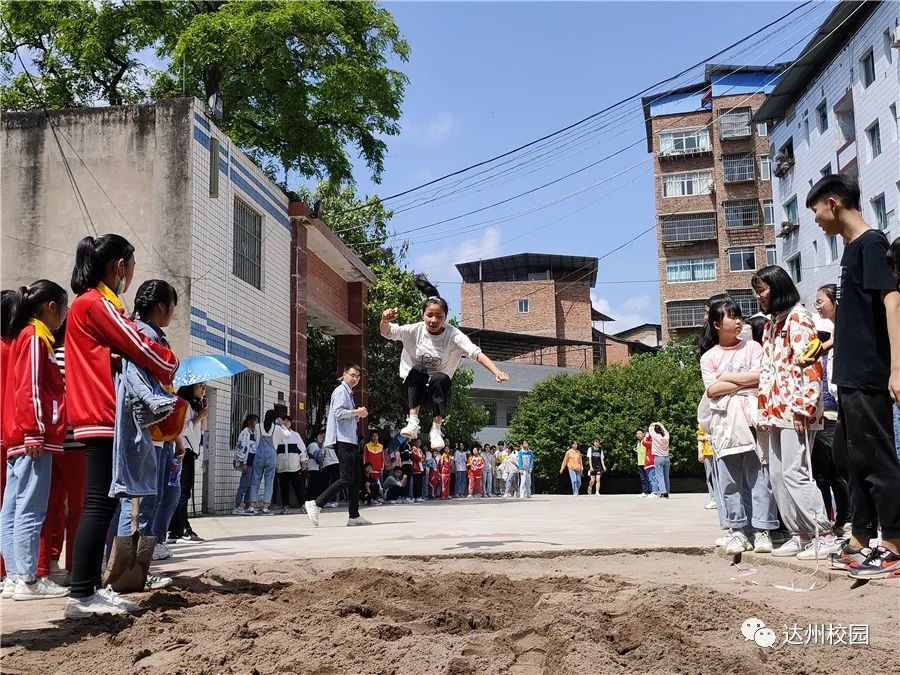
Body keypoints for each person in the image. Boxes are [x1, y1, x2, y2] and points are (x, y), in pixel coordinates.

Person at [64, 235, 178, 618]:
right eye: (130, 265)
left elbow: (117, 349)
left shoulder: (89, 305)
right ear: (119, 266)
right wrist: (170, 362)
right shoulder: (96, 304)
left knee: (103, 502)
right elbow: (138, 345)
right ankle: (82, 593)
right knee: (98, 504)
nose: (130, 274)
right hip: (99, 413)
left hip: (96, 411)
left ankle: (90, 588)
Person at [805, 175, 900, 577]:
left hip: (870, 372)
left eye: (816, 213)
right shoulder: (850, 250)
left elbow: (892, 301)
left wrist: (897, 366)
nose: (817, 222)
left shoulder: (873, 243)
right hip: (848, 374)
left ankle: (893, 544)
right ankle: (861, 538)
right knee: (852, 459)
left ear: (833, 203)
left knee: (878, 460)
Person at [752, 265, 834, 559]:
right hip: (774, 411)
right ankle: (799, 533)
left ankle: (822, 533)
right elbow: (767, 371)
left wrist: (803, 408)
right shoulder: (771, 324)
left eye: (762, 289)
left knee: (795, 472)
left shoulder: (799, 318)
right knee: (776, 474)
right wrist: (762, 411)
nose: (759, 296)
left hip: (796, 410)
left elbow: (810, 366)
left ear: (777, 286)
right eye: (757, 291)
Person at [0, 280, 70, 601]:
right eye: (63, 308)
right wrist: (35, 430)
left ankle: (16, 576)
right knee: (30, 506)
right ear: (50, 307)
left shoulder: (24, 337)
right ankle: (26, 579)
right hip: (32, 437)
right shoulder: (35, 338)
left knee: (14, 506)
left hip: (23, 435)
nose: (64, 317)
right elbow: (30, 388)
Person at [699, 296, 778, 555]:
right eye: (731, 317)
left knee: (759, 476)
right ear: (717, 324)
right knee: (729, 480)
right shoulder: (709, 357)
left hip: (753, 419)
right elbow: (712, 390)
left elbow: (761, 376)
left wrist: (728, 377)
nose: (737, 321)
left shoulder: (753, 347)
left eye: (738, 316)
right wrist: (743, 382)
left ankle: (763, 529)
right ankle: (736, 530)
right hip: (725, 423)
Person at [381, 298, 509, 449]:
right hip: (413, 390)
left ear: (445, 317)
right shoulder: (414, 330)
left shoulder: (453, 335)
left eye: (439, 316)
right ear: (423, 315)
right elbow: (387, 332)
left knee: (440, 377)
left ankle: (436, 429)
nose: (433, 320)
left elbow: (476, 353)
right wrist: (384, 320)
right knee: (419, 369)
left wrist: (496, 371)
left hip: (437, 394)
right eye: (429, 315)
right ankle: (413, 422)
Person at [36, 322, 86, 589]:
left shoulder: (49, 352)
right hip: (76, 440)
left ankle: (46, 564)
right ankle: (76, 567)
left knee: (49, 504)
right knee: (79, 507)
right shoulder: (75, 356)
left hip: (52, 439)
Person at [305, 364, 370, 527]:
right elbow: (339, 413)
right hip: (342, 440)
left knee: (356, 480)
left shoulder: (349, 393)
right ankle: (316, 503)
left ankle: (354, 516)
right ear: (344, 373)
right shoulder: (341, 391)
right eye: (352, 375)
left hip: (351, 440)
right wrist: (357, 412)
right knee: (346, 478)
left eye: (357, 376)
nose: (355, 378)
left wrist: (357, 413)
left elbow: (346, 416)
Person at [809, 284, 849, 534]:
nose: (818, 306)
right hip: (820, 418)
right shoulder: (821, 355)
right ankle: (831, 519)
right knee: (822, 475)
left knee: (838, 471)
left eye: (821, 301)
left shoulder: (840, 342)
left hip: (834, 416)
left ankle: (847, 517)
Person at [168, 383, 208, 541]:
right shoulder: (183, 406)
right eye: (200, 386)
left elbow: (202, 430)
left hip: (191, 452)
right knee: (182, 492)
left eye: (204, 387)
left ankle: (177, 528)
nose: (203, 390)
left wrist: (203, 413)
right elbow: (182, 430)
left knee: (183, 491)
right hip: (183, 452)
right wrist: (199, 417)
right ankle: (181, 529)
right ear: (190, 387)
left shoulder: (194, 406)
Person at [274, 416, 307, 515]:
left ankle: (303, 505)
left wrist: (303, 461)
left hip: (294, 466)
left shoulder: (295, 435)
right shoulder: (277, 436)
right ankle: (285, 506)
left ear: (290, 423)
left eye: (288, 421)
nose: (285, 423)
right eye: (283, 421)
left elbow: (302, 449)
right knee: (284, 488)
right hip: (282, 467)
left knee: (298, 487)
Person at [232, 414, 259, 514]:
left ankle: (248, 506)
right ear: (248, 421)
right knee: (244, 484)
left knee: (251, 485)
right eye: (253, 420)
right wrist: (243, 462)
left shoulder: (254, 432)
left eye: (256, 421)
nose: (254, 423)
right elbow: (241, 448)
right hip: (247, 462)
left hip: (253, 462)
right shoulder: (245, 433)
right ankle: (238, 505)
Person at [697, 424, 717, 510]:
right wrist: (700, 452)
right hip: (708, 453)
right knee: (710, 477)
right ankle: (714, 500)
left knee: (720, 477)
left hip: (720, 451)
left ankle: (720, 499)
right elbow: (699, 438)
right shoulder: (703, 422)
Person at [648, 423, 671, 498]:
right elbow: (665, 430)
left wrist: (655, 423)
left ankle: (663, 492)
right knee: (666, 476)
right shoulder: (666, 436)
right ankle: (667, 491)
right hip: (666, 458)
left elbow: (650, 427)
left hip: (658, 457)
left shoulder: (655, 436)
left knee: (660, 476)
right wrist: (661, 425)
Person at [305, 431, 324, 502]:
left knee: (313, 485)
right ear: (315, 438)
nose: (322, 439)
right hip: (313, 468)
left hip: (313, 468)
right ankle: (309, 500)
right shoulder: (314, 445)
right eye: (320, 437)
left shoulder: (314, 445)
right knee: (313, 486)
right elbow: (318, 457)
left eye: (322, 437)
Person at [633, 429, 651, 497]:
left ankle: (653, 492)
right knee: (643, 478)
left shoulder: (645, 441)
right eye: (637, 434)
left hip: (646, 462)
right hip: (640, 463)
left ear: (643, 434)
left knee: (649, 478)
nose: (638, 435)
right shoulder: (638, 442)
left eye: (640, 433)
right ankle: (644, 492)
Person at [642, 433, 657, 499]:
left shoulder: (652, 443)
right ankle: (653, 492)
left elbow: (644, 442)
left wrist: (646, 436)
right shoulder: (653, 442)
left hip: (651, 463)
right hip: (650, 463)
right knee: (651, 479)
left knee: (652, 479)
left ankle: (655, 492)